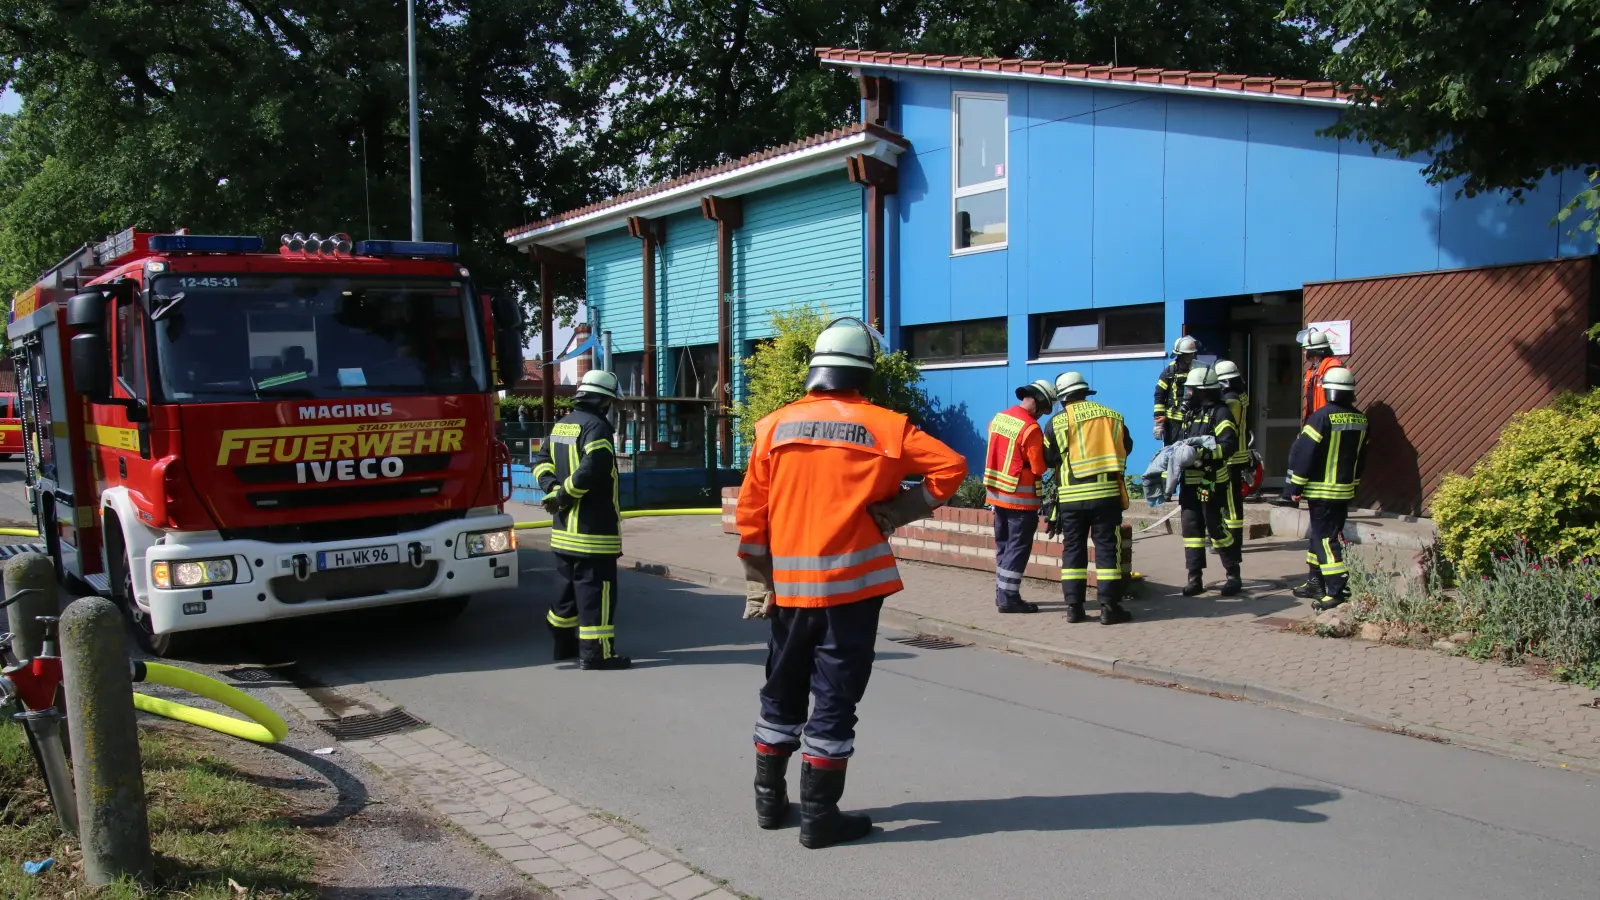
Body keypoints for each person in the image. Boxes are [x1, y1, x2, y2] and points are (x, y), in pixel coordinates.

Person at [736, 317, 967, 849]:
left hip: (789, 593)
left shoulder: (773, 426)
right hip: (853, 591)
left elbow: (753, 512)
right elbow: (951, 467)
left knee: (782, 688)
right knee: (835, 698)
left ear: (816, 370)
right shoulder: (888, 427)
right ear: (864, 373)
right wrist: (898, 510)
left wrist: (757, 578)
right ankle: (820, 818)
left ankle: (769, 805)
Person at [533, 370, 629, 670]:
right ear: (603, 400)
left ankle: (562, 642)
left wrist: (552, 489)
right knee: (595, 595)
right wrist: (565, 495)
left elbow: (541, 462)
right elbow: (593, 469)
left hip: (563, 531)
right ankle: (596, 654)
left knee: (566, 592)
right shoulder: (598, 427)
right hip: (593, 531)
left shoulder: (562, 425)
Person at [1042, 372, 1134, 624]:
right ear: (1085, 392)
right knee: (1106, 549)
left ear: (1062, 398)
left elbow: (1048, 459)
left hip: (1071, 498)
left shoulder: (1056, 422)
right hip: (1106, 496)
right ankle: (1109, 608)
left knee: (1073, 549)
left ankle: (1074, 608)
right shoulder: (1112, 416)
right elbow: (1128, 445)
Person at [1283, 367, 1368, 610]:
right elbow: (1362, 456)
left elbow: (1304, 453)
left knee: (1324, 539)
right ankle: (1314, 582)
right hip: (1344, 490)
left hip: (1321, 491)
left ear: (1328, 390)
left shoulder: (1321, 417)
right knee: (1320, 535)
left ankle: (1335, 590)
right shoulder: (1361, 418)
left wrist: (1294, 486)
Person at [983, 378, 1058, 613]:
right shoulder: (1030, 428)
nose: (1043, 415)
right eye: (1044, 410)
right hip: (1021, 500)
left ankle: (1002, 593)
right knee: (1017, 548)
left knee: (1004, 547)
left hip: (997, 496)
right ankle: (1009, 598)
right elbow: (1038, 468)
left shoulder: (999, 418)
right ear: (1038, 402)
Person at [1176, 366, 1242, 597]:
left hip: (1209, 482)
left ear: (1203, 391)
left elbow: (1228, 446)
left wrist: (1204, 454)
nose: (1187, 394)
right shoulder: (1190, 413)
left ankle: (1233, 575)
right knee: (1191, 529)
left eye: (1191, 389)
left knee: (1215, 526)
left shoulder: (1221, 413)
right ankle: (1194, 579)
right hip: (1189, 482)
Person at [1214, 359, 1250, 554]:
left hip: (1231, 458)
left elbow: (1227, 427)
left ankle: (1233, 542)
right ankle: (1232, 540)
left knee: (1231, 503)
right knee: (1230, 501)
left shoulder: (1231, 400)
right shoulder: (1240, 395)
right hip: (1237, 455)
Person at [1153, 336, 1201, 446]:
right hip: (1173, 424)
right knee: (1172, 454)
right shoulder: (1169, 372)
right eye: (1186, 356)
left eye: (1191, 355)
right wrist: (1159, 422)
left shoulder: (1199, 370)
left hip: (1194, 421)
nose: (1189, 359)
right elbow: (1159, 396)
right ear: (1179, 356)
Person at [1300, 329, 1343, 423]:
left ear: (1314, 352)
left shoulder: (1332, 368)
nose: (1304, 352)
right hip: (1316, 419)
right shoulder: (1313, 370)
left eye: (1306, 350)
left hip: (1327, 420)